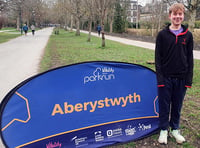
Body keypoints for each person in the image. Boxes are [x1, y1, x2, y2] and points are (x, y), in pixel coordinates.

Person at [155, 3, 193, 145]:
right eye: (175, 14)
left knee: (177, 105)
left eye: (180, 14)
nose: (177, 17)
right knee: (164, 105)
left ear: (183, 16)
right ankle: (164, 130)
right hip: (165, 77)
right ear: (170, 16)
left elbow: (190, 58)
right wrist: (160, 78)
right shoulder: (162, 35)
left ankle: (175, 129)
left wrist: (188, 80)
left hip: (181, 79)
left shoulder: (188, 35)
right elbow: (158, 58)